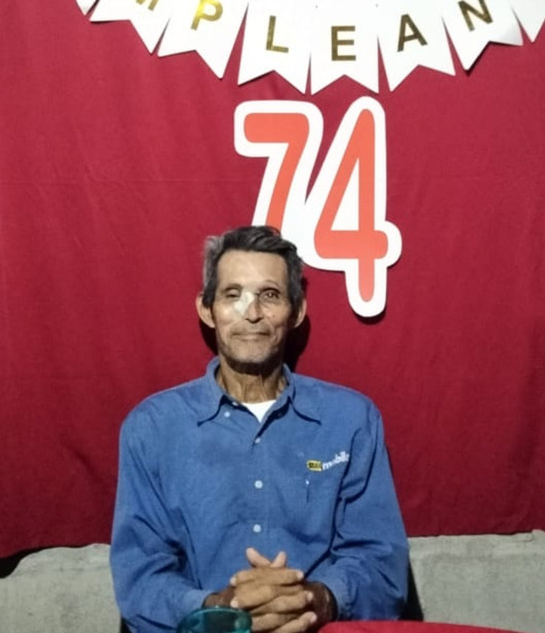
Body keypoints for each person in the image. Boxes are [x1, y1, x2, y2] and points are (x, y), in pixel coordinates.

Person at [110, 225, 409, 633]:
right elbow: (140, 578)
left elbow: (381, 565)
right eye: (233, 295)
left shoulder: (351, 420)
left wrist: (313, 600)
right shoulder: (152, 429)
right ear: (207, 309)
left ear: (296, 311)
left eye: (269, 295)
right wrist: (221, 610)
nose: (251, 313)